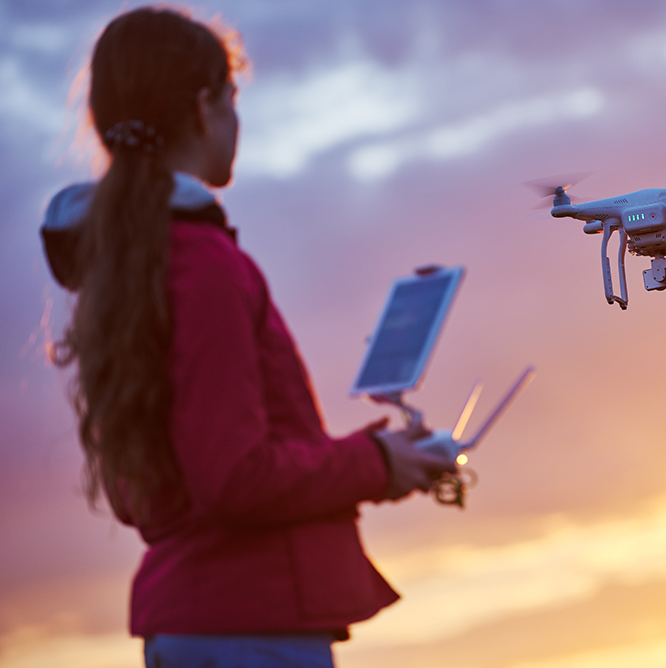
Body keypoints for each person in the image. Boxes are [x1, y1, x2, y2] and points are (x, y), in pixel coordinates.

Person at [42, 7, 456, 667]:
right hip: (250, 629)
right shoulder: (201, 265)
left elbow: (160, 485)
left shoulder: (123, 268)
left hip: (195, 622)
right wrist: (376, 465)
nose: (238, 120)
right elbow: (234, 477)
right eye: (234, 100)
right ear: (205, 108)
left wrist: (372, 460)